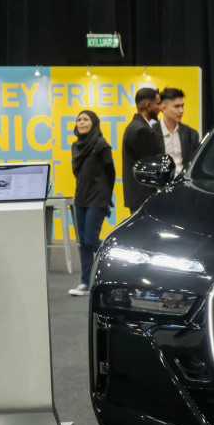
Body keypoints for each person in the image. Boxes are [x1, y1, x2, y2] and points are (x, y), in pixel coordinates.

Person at [68, 110, 115, 296]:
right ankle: (85, 283)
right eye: (79, 119)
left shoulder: (101, 144)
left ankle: (115, 257)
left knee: (91, 240)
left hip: (98, 198)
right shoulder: (76, 146)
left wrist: (106, 195)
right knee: (83, 243)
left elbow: (110, 172)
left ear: (94, 123)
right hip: (81, 197)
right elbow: (77, 173)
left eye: (86, 119)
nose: (81, 122)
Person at [122, 87, 161, 214]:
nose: (160, 108)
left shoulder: (135, 126)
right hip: (143, 197)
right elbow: (150, 167)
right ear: (148, 105)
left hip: (138, 197)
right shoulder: (141, 130)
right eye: (158, 103)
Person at [153, 87, 200, 177]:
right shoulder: (152, 133)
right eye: (176, 106)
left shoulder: (191, 134)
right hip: (160, 186)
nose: (181, 111)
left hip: (183, 185)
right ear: (163, 109)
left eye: (182, 106)